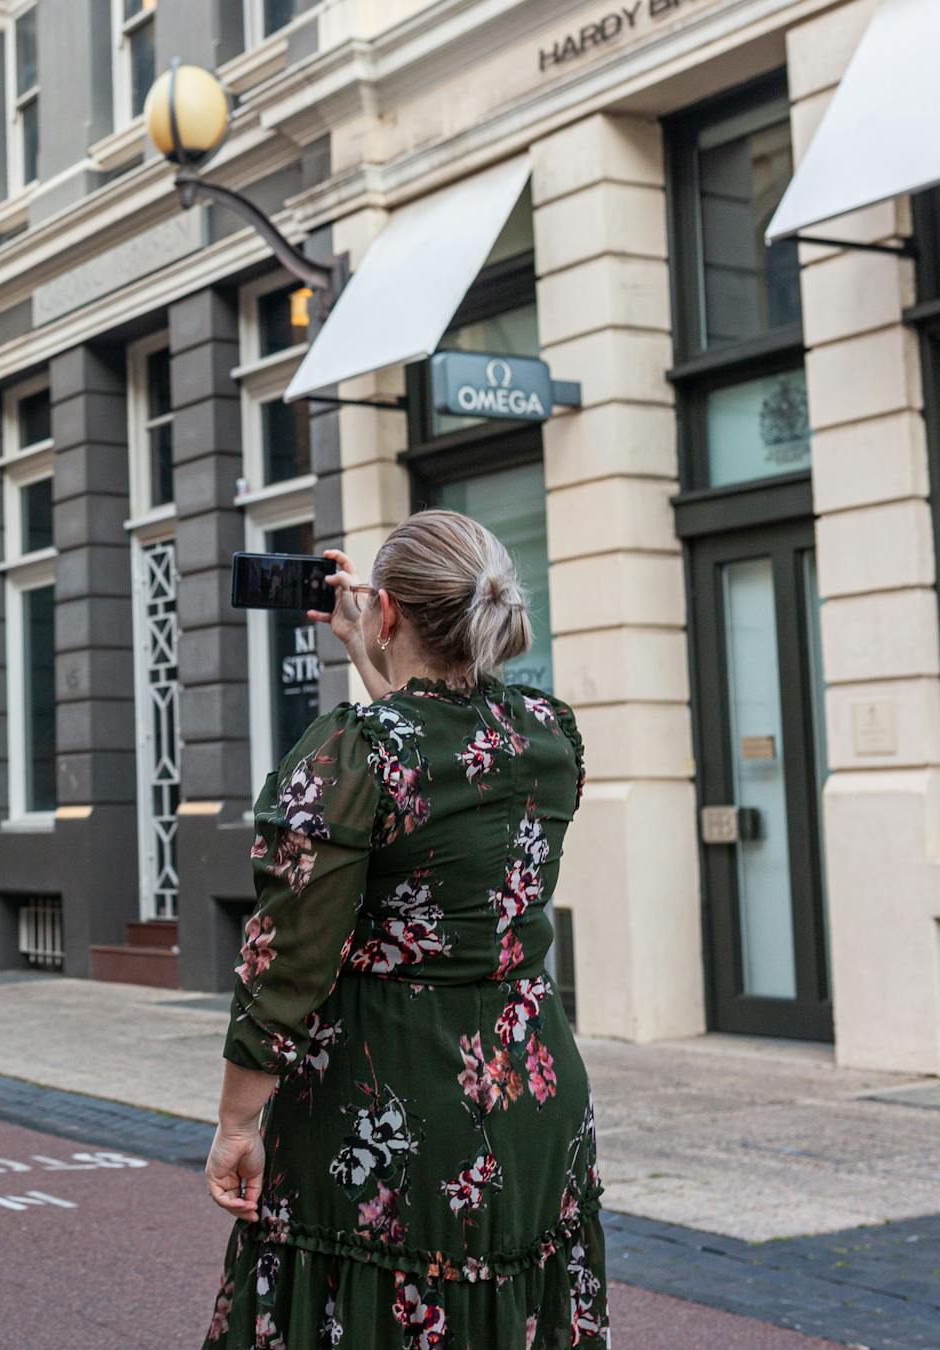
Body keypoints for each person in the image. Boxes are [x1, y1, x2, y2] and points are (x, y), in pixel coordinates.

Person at [201, 510, 608, 1349]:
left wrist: (239, 1124)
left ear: (389, 611)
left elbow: (287, 964)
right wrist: (366, 648)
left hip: (387, 1097)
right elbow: (444, 760)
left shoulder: (352, 750)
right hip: (531, 1089)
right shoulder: (545, 731)